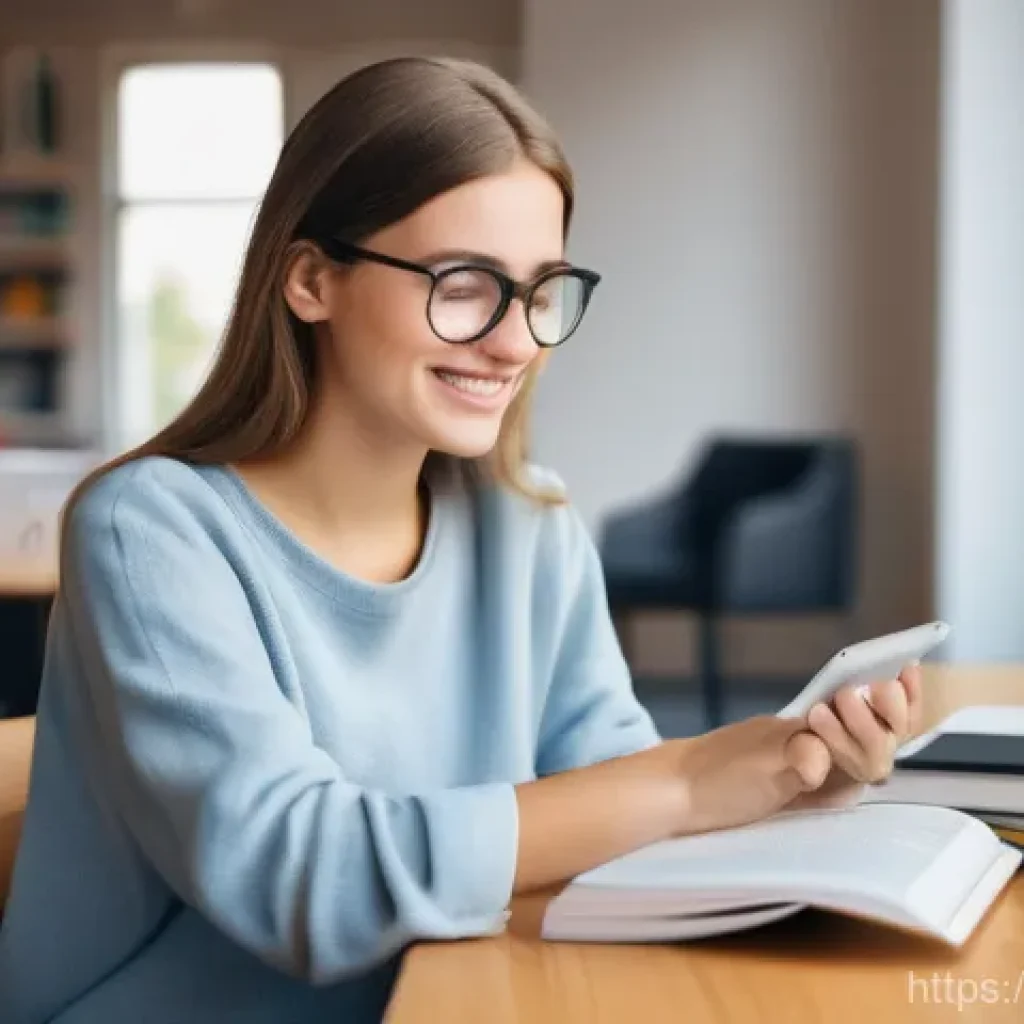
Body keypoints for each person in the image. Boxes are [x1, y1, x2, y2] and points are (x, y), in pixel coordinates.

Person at [0, 57, 921, 1024]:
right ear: (310, 280)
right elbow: (300, 876)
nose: (515, 342)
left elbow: (612, 796)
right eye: (465, 284)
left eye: (540, 290)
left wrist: (783, 784)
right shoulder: (150, 532)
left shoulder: (530, 524)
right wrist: (688, 783)